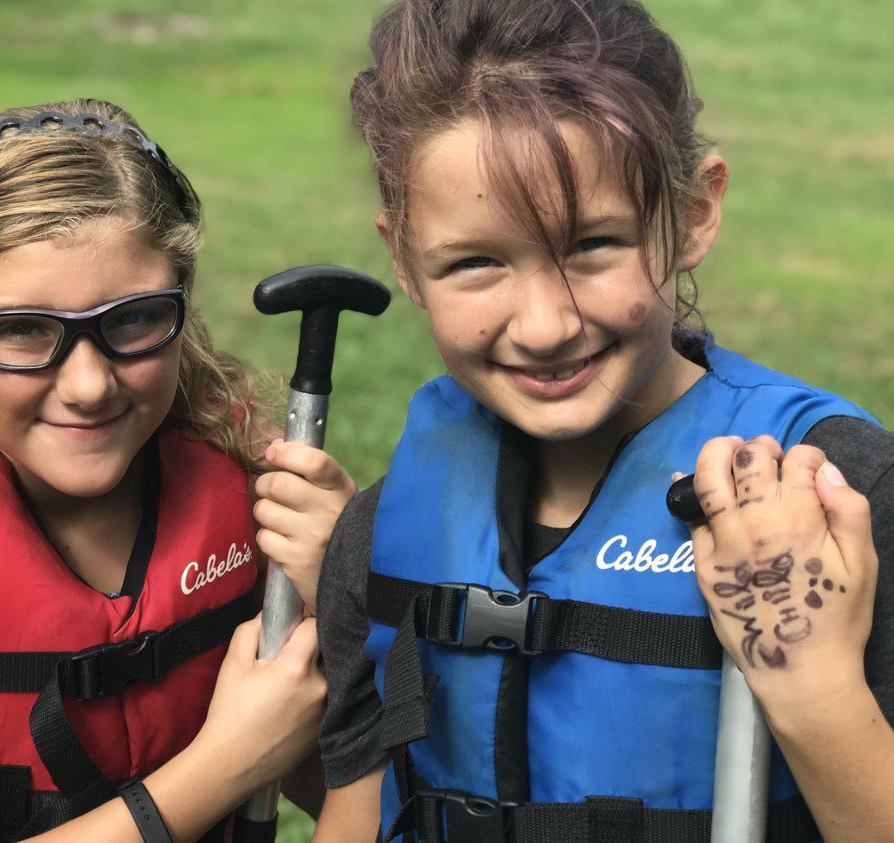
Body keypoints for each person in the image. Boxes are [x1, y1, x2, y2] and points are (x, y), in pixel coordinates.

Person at [312, 1, 894, 841]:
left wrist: (811, 682)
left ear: (693, 212)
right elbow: (357, 809)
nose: (545, 325)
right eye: (476, 262)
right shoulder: (384, 528)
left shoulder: (844, 500)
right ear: (403, 256)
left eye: (591, 245)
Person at [0, 98, 355, 842]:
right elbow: (251, 756)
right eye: (18, 329)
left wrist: (351, 607)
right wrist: (226, 764)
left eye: (133, 318)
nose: (88, 385)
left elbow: (366, 796)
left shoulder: (254, 482)